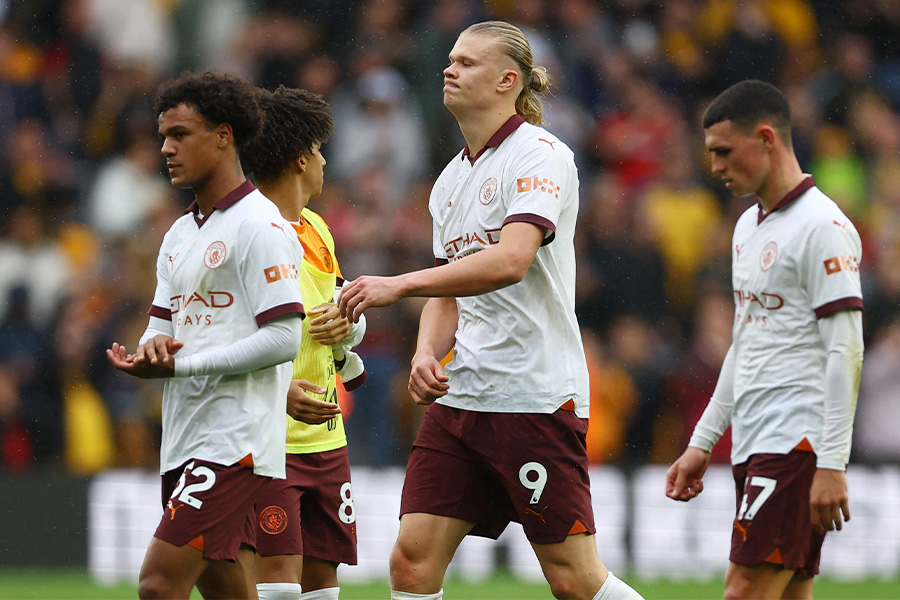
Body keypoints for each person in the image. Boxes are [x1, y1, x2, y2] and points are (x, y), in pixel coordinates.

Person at [339, 20, 644, 600]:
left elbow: (510, 260)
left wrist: (397, 286)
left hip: (532, 393)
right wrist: (427, 352)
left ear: (508, 80)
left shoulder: (541, 155)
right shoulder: (450, 179)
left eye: (466, 62)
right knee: (410, 561)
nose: (449, 70)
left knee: (574, 579)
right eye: (449, 59)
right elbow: (448, 291)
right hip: (463, 395)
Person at [106, 71, 306, 600]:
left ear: (224, 136)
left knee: (157, 583)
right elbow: (163, 326)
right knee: (225, 591)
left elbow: (284, 338)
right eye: (163, 137)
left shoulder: (260, 226)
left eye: (180, 135)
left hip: (233, 441)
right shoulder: (179, 234)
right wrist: (150, 351)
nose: (166, 149)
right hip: (184, 437)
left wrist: (183, 366)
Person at [665, 79, 865, 600]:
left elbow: (847, 348)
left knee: (744, 590)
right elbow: (744, 343)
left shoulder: (823, 227)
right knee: (790, 591)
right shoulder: (747, 227)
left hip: (796, 441)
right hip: (756, 439)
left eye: (724, 152)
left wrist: (831, 463)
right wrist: (701, 443)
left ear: (768, 138)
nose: (715, 167)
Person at [241, 85, 367, 600]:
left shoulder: (316, 227)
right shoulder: (249, 232)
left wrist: (348, 326)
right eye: (317, 150)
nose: (323, 162)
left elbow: (337, 310)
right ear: (299, 160)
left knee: (322, 580)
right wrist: (275, 387)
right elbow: (223, 333)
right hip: (270, 439)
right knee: (278, 580)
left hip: (327, 436)